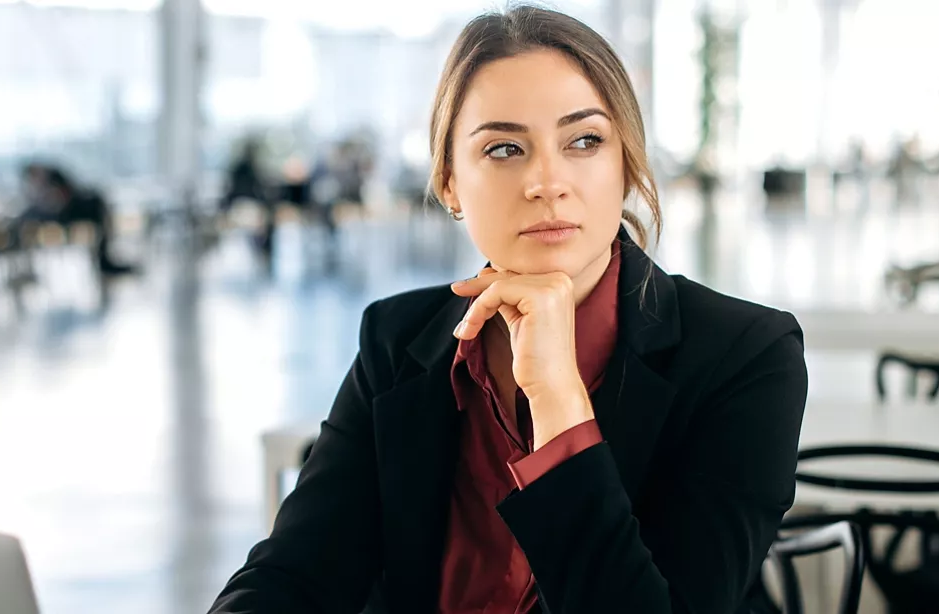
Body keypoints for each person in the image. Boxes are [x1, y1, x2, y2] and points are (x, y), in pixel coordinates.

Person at [209, 6, 807, 614]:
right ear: (449, 183)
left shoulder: (746, 356)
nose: (546, 181)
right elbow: (295, 574)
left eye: (584, 140)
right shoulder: (396, 341)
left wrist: (559, 405)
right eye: (502, 149)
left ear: (625, 163)